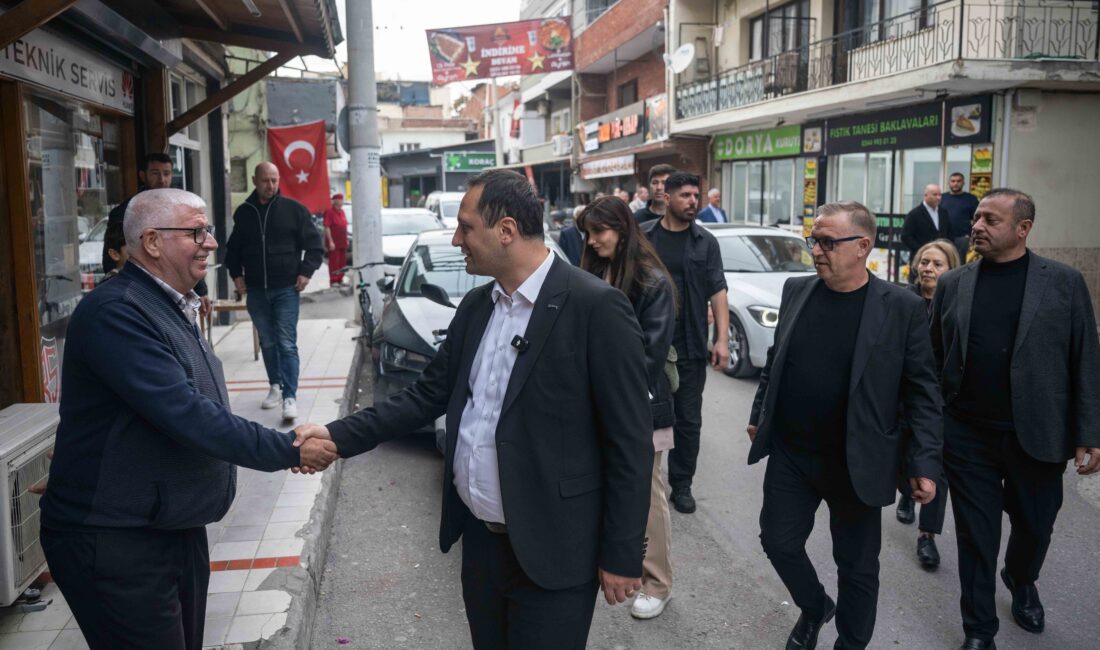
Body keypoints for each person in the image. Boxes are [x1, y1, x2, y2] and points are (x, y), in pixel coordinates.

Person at [292, 169, 653, 649]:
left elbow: (629, 441)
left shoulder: (595, 307)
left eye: (465, 227)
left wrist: (623, 553)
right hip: (482, 547)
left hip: (555, 549)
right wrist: (338, 436)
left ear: (505, 231)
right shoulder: (477, 307)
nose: (457, 238)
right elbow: (426, 395)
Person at [39, 188, 338, 650]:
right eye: (196, 232)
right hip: (116, 536)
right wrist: (288, 448)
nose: (211, 243)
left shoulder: (176, 303)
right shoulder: (117, 311)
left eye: (209, 230)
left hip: (171, 526)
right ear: (153, 242)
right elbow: (186, 412)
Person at [746, 201, 943, 650]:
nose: (816, 249)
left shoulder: (901, 307)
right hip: (794, 454)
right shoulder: (797, 289)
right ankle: (814, 606)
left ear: (863, 247)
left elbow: (923, 393)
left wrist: (925, 462)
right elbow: (777, 361)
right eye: (813, 239)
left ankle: (851, 644)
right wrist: (760, 414)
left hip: (859, 459)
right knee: (778, 542)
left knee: (856, 566)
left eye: (827, 241)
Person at [929, 189, 1100, 650]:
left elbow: (1086, 359)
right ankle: (979, 629)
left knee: (1035, 527)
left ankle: (1021, 580)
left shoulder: (1063, 282)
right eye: (977, 217)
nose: (977, 225)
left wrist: (1089, 431)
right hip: (967, 436)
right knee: (975, 537)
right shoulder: (954, 284)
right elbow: (934, 358)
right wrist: (930, 425)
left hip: (1039, 435)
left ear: (1023, 229)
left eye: (991, 219)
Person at [577, 196, 677, 620]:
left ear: (621, 229)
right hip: (596, 401)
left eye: (599, 232)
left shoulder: (652, 282)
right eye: (588, 234)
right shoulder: (595, 270)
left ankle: (658, 583)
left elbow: (649, 359)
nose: (593, 241)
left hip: (642, 406)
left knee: (646, 494)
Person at [640, 172, 730, 514]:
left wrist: (721, 339)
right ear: (668, 197)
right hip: (650, 344)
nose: (694, 201)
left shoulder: (705, 242)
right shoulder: (645, 238)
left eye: (697, 196)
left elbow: (718, 290)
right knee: (649, 415)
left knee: (689, 420)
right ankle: (646, 481)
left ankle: (683, 485)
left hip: (691, 345)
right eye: (687, 195)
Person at [225, 162, 324, 422]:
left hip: (286, 289)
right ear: (254, 180)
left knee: (286, 343)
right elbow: (232, 250)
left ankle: (290, 396)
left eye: (274, 180)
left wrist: (306, 272)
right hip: (256, 291)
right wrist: (236, 275)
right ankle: (275, 386)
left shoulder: (294, 210)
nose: (270, 186)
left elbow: (315, 246)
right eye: (265, 180)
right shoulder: (244, 213)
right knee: (268, 342)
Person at [895, 239, 960, 570]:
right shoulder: (903, 301)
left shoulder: (957, 306)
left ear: (951, 270)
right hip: (903, 394)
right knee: (908, 448)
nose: (928, 269)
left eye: (937, 264)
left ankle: (927, 535)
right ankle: (907, 491)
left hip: (942, 399)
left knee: (938, 464)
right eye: (924, 262)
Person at [103, 152, 210, 314]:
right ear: (143, 175)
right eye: (155, 173)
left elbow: (191, 248)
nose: (161, 179)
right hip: (137, 288)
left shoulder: (180, 208)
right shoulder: (125, 212)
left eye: (166, 174)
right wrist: (114, 286)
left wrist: (200, 289)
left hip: (175, 289)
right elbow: (113, 251)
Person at [902, 184, 953, 263]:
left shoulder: (943, 213)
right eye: (935, 194)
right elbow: (906, 236)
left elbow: (949, 233)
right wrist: (922, 250)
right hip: (920, 259)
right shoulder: (914, 214)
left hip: (941, 257)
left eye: (940, 195)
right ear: (926, 195)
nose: (938, 198)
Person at [940, 172, 980, 257]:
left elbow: (978, 218)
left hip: (963, 238)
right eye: (953, 181)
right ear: (949, 183)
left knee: (960, 264)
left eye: (959, 181)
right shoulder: (942, 198)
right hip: (944, 237)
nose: (955, 183)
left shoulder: (971, 199)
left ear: (963, 183)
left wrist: (971, 235)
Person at [323, 193, 349, 286]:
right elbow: (327, 227)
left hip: (342, 241)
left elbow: (344, 225)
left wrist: (346, 239)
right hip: (334, 242)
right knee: (334, 261)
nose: (341, 202)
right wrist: (330, 241)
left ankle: (340, 278)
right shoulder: (329, 212)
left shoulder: (342, 212)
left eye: (342, 199)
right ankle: (334, 279)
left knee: (342, 261)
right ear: (334, 201)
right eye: (339, 200)